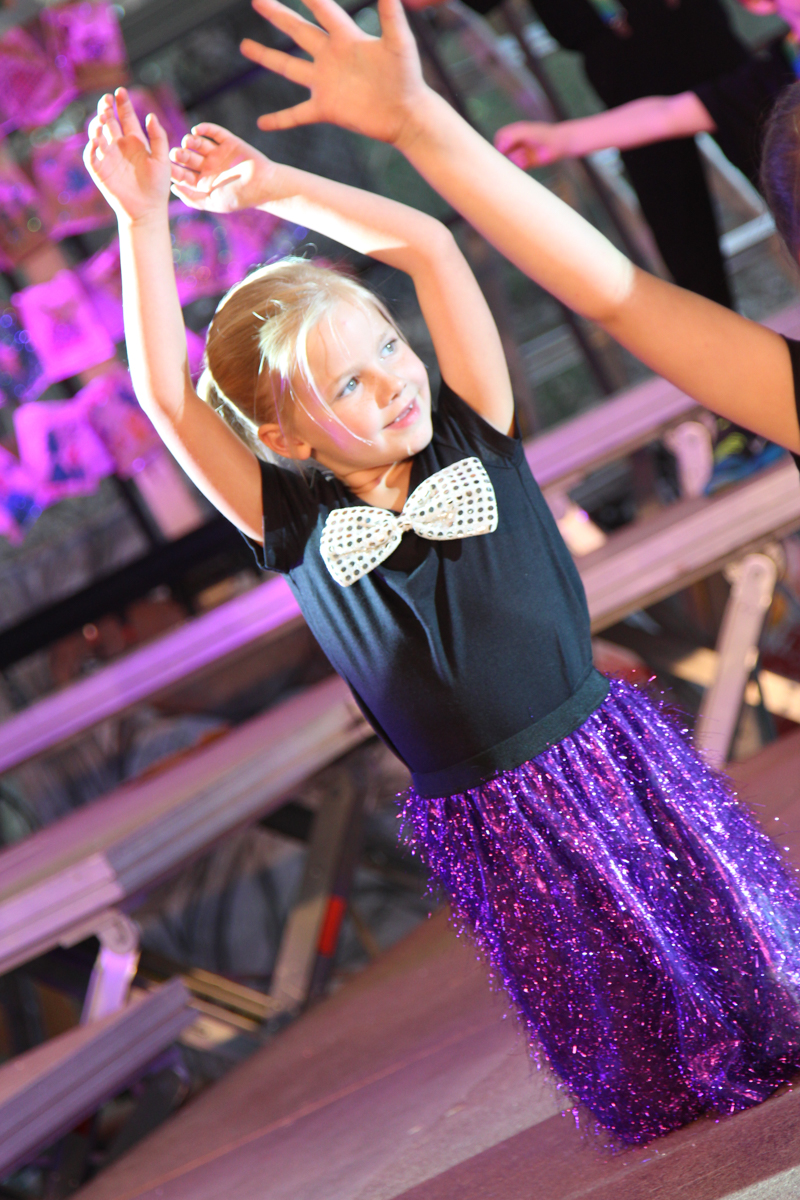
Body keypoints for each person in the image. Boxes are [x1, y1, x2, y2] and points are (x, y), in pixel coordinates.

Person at [84, 32, 800, 1145]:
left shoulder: (475, 430)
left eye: (386, 349)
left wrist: (274, 187)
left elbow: (423, 244)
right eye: (347, 384)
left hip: (604, 755)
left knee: (747, 971)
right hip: (486, 816)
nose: (390, 383)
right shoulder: (293, 523)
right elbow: (167, 401)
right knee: (633, 1054)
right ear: (285, 437)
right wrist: (141, 226)